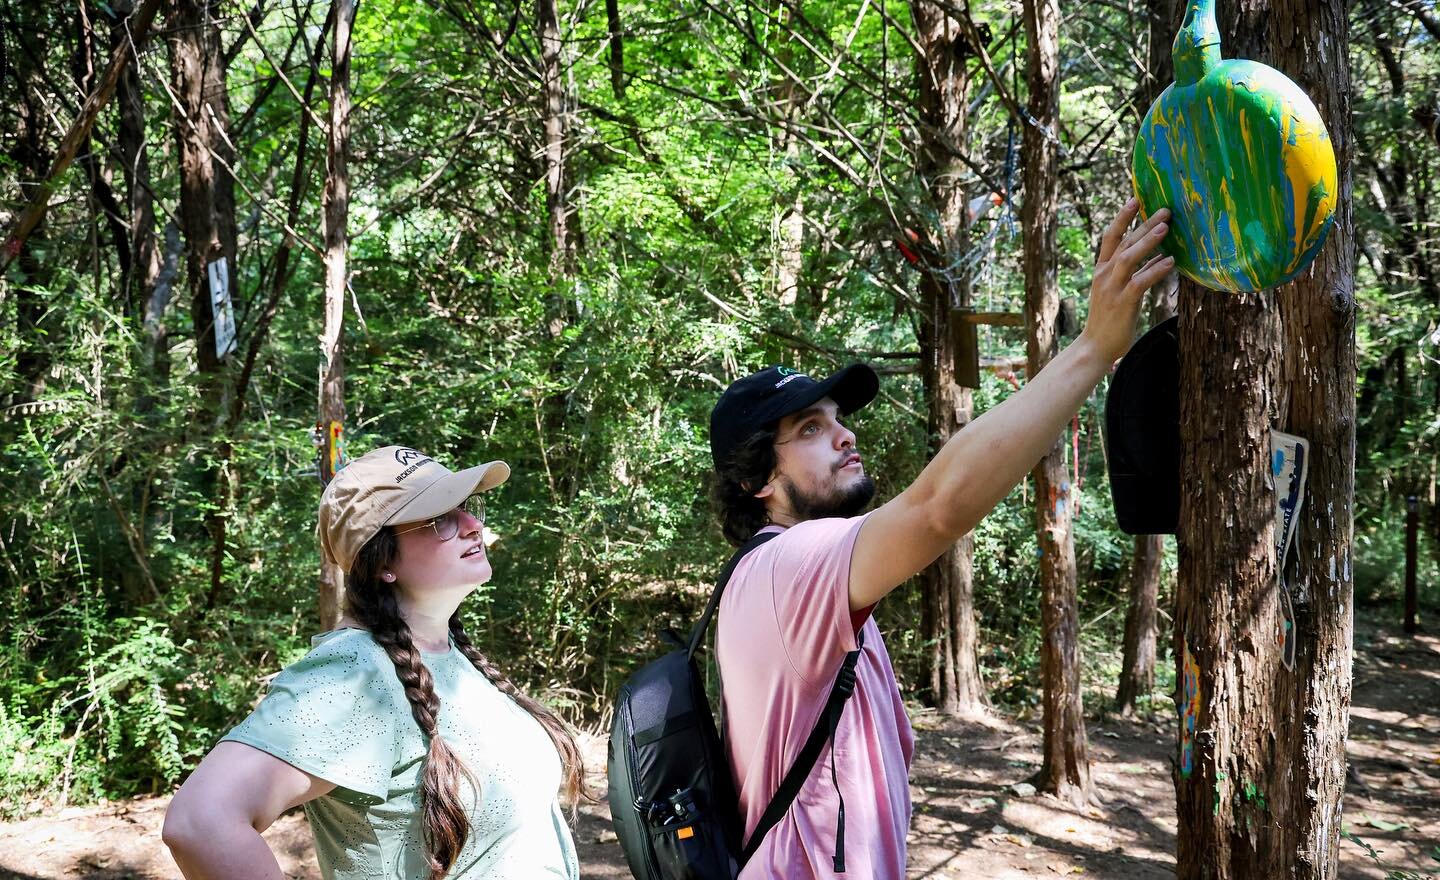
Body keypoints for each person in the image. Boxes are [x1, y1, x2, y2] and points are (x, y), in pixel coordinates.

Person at [708, 199, 1174, 878]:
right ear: (758, 479)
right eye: (808, 428)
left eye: (838, 417)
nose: (845, 433)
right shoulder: (786, 568)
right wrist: (1094, 348)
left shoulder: (796, 579)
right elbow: (936, 509)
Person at [162, 445, 584, 880]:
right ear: (382, 561)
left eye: (467, 508)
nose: (474, 526)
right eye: (440, 519)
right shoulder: (354, 674)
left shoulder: (446, 656)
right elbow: (199, 822)